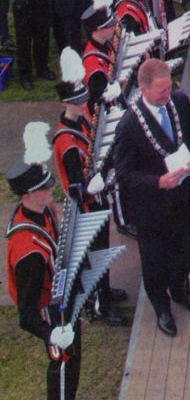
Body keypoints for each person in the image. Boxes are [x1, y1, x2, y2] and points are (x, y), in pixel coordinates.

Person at [6, 122, 98, 400]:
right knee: (60, 365)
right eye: (44, 188)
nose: (51, 191)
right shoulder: (28, 251)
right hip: (49, 313)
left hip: (62, 298)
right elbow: (26, 314)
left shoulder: (42, 211)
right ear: (28, 194)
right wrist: (50, 334)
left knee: (74, 359)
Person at [113, 59, 190, 337]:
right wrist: (157, 182)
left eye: (169, 89)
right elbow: (124, 174)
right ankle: (161, 307)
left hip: (184, 199)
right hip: (152, 209)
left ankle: (181, 291)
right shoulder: (129, 124)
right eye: (161, 91)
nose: (168, 95)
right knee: (155, 261)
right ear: (143, 89)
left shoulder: (179, 102)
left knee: (184, 251)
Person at [52, 47, 128, 327]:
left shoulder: (79, 121)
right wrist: (95, 185)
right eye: (78, 101)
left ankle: (105, 290)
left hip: (95, 197)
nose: (83, 102)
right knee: (94, 254)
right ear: (66, 103)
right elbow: (76, 187)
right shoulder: (66, 142)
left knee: (102, 249)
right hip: (85, 206)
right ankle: (100, 304)